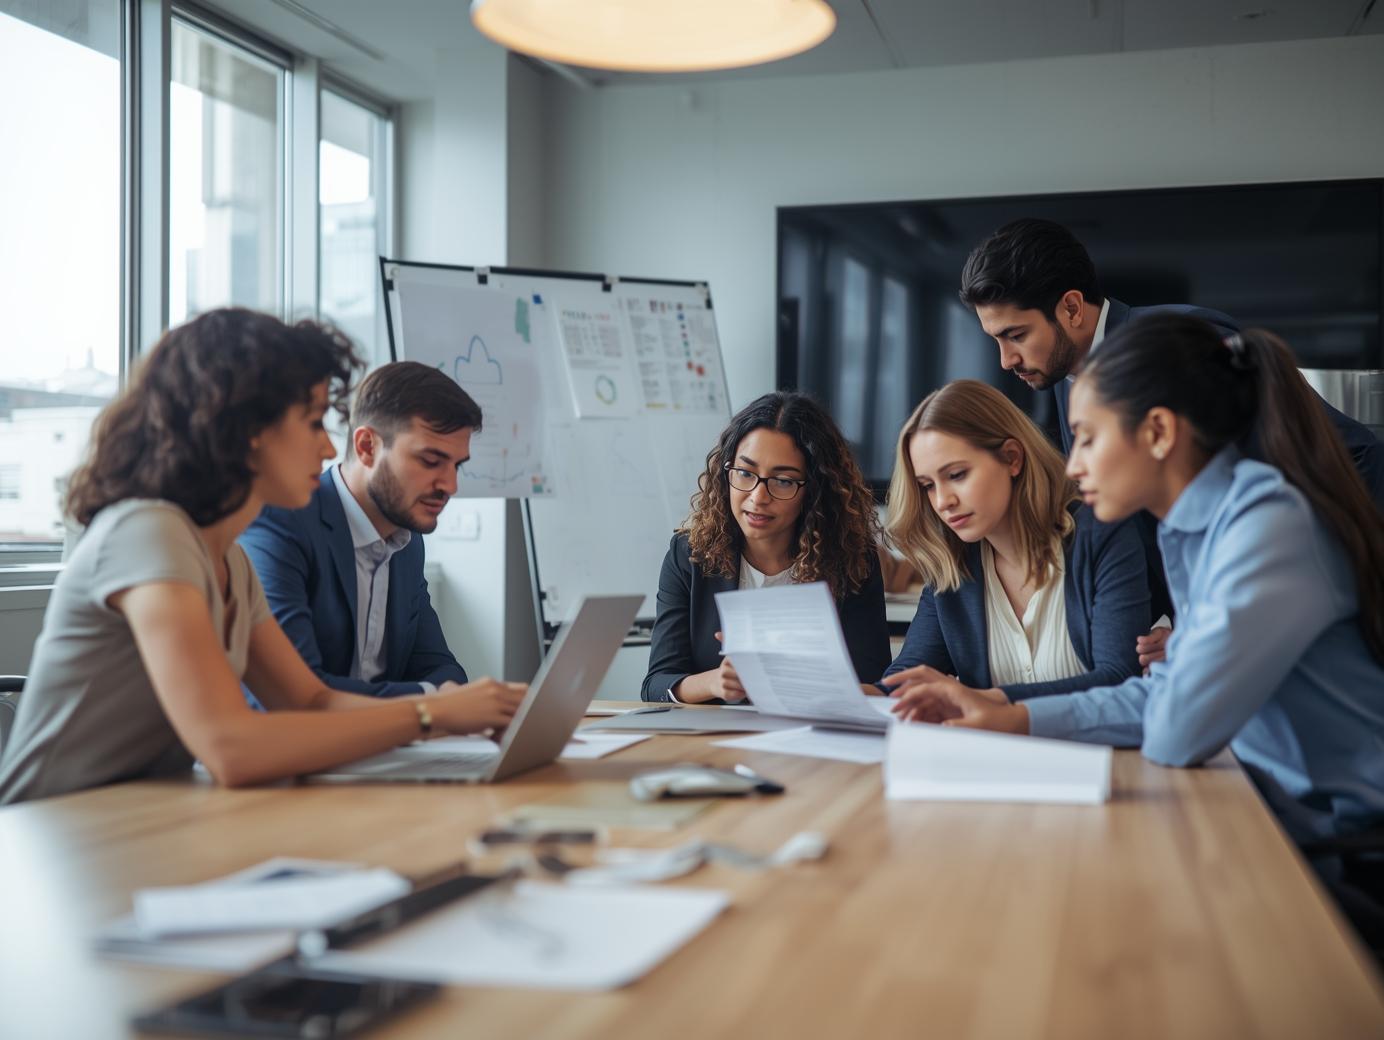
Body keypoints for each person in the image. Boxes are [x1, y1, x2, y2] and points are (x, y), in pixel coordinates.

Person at [889, 315, 1384, 947]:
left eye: (1088, 438)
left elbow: (1177, 729)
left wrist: (1012, 709)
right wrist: (1006, 716)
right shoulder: (1194, 529)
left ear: (1157, 433)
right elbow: (1160, 696)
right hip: (1287, 821)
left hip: (1351, 845)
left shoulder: (1265, 525)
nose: (1071, 467)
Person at [0, 309, 525, 804]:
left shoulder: (228, 561)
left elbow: (311, 701)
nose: (326, 449)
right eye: (314, 422)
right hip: (48, 839)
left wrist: (461, 710)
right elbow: (232, 748)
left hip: (136, 821)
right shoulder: (148, 532)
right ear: (247, 430)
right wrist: (432, 712)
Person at [958, 217, 1384, 625]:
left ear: (1071, 308)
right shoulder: (1063, 377)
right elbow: (1138, 525)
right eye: (996, 339)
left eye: (1016, 335)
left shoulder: (1181, 341)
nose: (1006, 359)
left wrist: (1253, 612)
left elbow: (1354, 455)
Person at [880, 380, 1149, 710]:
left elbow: (1118, 678)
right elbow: (905, 679)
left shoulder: (1101, 534)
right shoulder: (951, 562)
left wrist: (985, 700)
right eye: (927, 486)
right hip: (993, 759)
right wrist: (856, 695)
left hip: (1100, 758)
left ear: (1012, 458)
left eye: (957, 475)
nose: (942, 501)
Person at [240, 361, 477, 698]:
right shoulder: (281, 521)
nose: (450, 485)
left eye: (457, 465)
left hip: (389, 748)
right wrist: (435, 706)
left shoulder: (407, 540)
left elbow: (442, 668)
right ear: (367, 447)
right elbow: (299, 693)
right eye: (430, 461)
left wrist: (443, 700)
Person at [642, 391, 889, 703]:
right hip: (715, 743)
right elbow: (656, 684)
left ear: (813, 491)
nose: (758, 497)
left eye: (783, 481)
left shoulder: (853, 560)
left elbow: (875, 685)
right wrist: (716, 682)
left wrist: (794, 674)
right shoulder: (689, 554)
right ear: (725, 473)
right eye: (745, 474)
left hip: (814, 741)